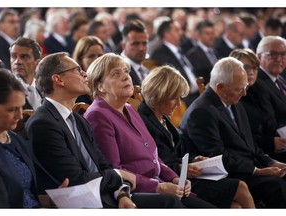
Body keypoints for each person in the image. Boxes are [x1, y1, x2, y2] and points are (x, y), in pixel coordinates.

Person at [25, 52, 184, 209]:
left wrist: (122, 194)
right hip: (81, 203)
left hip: (108, 193)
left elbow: (103, 166)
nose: (84, 74)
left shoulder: (78, 120)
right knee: (170, 203)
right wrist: (120, 175)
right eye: (77, 70)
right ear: (58, 79)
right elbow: (77, 180)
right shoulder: (43, 124)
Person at [84, 53, 216, 208]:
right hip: (132, 193)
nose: (126, 77)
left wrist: (174, 178)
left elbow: (153, 157)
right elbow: (114, 171)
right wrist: (158, 187)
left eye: (126, 71)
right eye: (116, 74)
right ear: (100, 86)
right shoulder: (97, 115)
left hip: (160, 185)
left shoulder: (129, 108)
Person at [137, 65, 255, 208]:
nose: (179, 104)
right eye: (175, 98)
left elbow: (179, 150)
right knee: (240, 187)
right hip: (171, 183)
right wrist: (181, 168)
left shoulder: (161, 115)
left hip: (185, 177)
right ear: (160, 95)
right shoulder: (143, 120)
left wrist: (194, 159)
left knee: (235, 206)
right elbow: (153, 162)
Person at [179, 56, 286, 208]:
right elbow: (218, 156)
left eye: (245, 87)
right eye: (239, 89)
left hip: (246, 167)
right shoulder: (202, 112)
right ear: (220, 87)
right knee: (280, 188)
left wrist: (271, 162)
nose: (244, 94)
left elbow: (250, 144)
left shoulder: (234, 101)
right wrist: (257, 171)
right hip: (230, 174)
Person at [0, 68, 68, 208]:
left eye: (21, 108)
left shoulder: (15, 139)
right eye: (12, 109)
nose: (19, 116)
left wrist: (51, 200)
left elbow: (26, 194)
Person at [230, 48, 286, 163]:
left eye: (255, 68)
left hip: (266, 150)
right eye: (246, 67)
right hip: (252, 157)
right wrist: (270, 143)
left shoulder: (257, 91)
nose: (251, 72)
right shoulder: (234, 98)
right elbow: (239, 139)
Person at [251, 36, 286, 163]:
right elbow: (270, 125)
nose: (279, 59)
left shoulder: (279, 79)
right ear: (259, 57)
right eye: (273, 54)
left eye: (283, 54)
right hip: (274, 149)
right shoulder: (258, 83)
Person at [150, 18, 199, 107]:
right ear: (166, 35)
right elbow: (173, 78)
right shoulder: (160, 53)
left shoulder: (181, 49)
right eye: (177, 30)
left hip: (196, 93)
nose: (181, 33)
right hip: (183, 99)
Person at [10, 37, 43, 110]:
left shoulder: (45, 90)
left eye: (24, 57)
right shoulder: (5, 90)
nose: (17, 62)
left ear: (37, 63)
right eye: (13, 56)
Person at [72, 35, 105, 105]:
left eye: (100, 55)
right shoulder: (76, 87)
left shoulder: (109, 79)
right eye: (91, 56)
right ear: (80, 59)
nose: (97, 60)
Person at [121, 19, 150, 86]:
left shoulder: (147, 70)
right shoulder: (118, 71)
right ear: (124, 46)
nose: (141, 48)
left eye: (144, 43)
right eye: (135, 43)